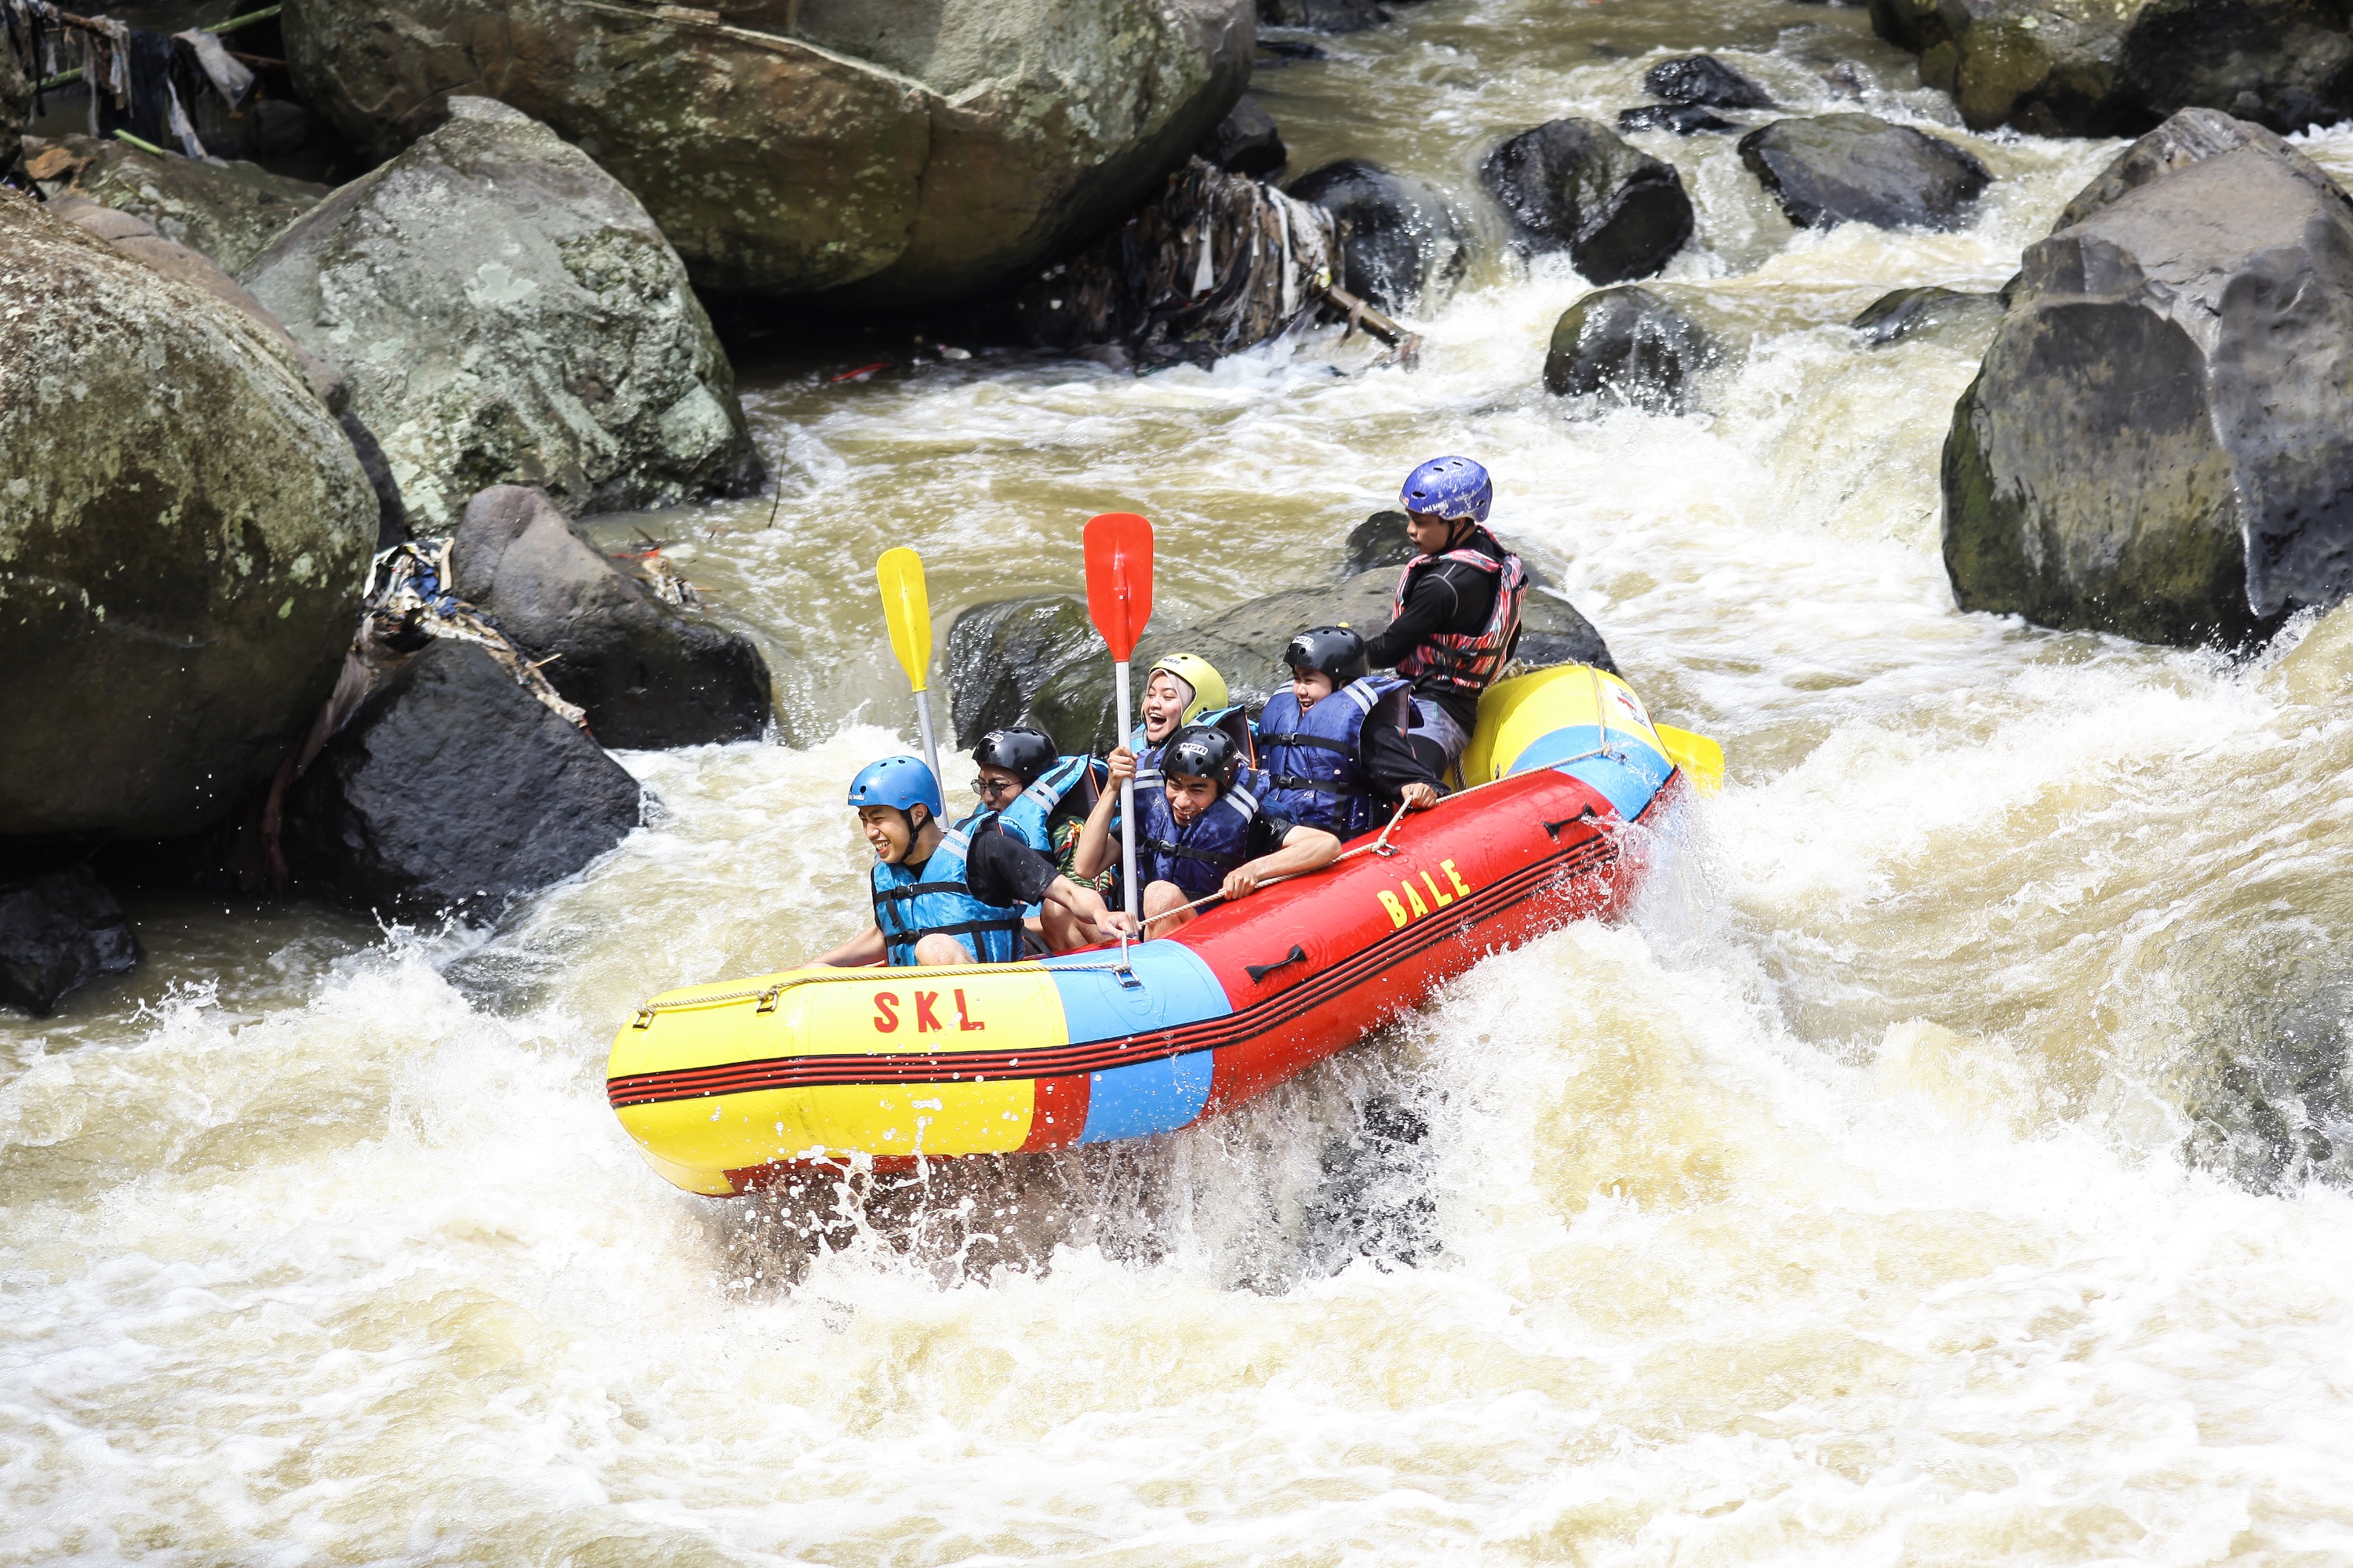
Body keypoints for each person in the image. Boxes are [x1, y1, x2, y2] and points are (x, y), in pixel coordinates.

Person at [816, 755, 1134, 968]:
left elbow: (1066, 892)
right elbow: (885, 934)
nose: (870, 832)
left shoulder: (984, 849)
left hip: (993, 1001)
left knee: (932, 948)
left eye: (878, 819)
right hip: (919, 1007)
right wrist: (818, 967)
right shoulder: (885, 873)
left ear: (917, 814)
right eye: (864, 820)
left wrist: (1101, 914)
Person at [1075, 723, 1341, 936]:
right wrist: (1111, 788)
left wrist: (1253, 869)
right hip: (1132, 936)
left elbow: (1326, 844)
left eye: (1197, 790)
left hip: (1204, 944)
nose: (1181, 801)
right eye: (1175, 785)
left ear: (1222, 790)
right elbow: (1085, 867)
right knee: (1056, 911)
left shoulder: (1251, 820)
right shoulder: (1152, 813)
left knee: (1161, 895)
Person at [1362, 456, 1529, 779]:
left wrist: (1342, 657)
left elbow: (1388, 650)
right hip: (1445, 697)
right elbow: (1510, 638)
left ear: (1459, 522)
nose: (1411, 531)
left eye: (1422, 522)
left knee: (1402, 787)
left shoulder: (1443, 586)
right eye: (1410, 519)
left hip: (1439, 710)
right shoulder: (1491, 555)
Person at [1257, 625, 1442, 836]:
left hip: (1343, 852)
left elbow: (1426, 784)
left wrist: (1421, 790)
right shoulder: (1283, 718)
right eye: (1297, 679)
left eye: (1309, 680)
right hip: (1279, 840)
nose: (1299, 690)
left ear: (1343, 683)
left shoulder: (1368, 731)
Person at [1072, 651, 1230, 879]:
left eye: (1168, 697)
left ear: (1198, 709)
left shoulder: (1226, 775)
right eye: (1150, 695)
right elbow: (1085, 867)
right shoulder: (1147, 790)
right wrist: (1113, 786)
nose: (1153, 705)